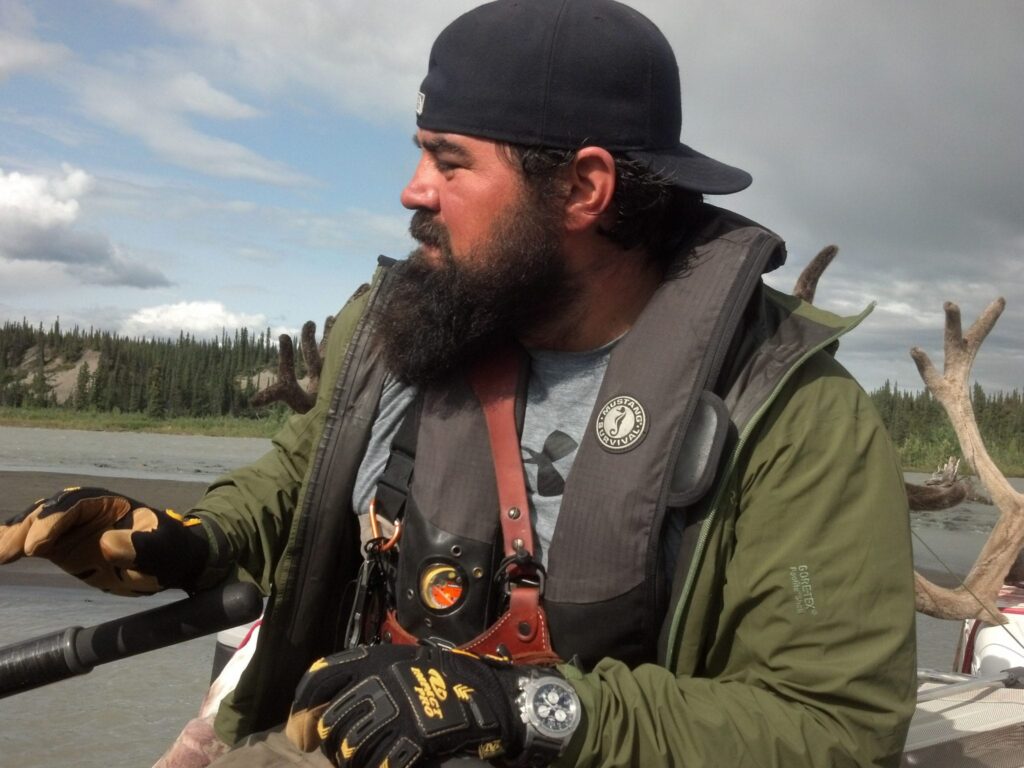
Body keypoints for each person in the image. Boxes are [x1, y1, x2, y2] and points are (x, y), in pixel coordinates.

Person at [0, 0, 917, 766]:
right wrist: (186, 541)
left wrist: (530, 711)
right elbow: (300, 484)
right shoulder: (402, 326)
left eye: (449, 160)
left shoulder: (792, 418)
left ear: (583, 188)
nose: (411, 190)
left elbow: (835, 725)